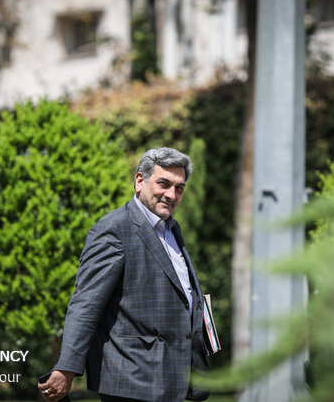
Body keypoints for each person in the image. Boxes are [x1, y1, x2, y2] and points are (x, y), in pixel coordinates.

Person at [38, 147, 210, 402]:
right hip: (132, 380)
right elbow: (86, 303)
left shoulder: (172, 229)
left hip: (169, 377)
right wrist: (67, 367)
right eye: (164, 183)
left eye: (180, 187)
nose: (172, 195)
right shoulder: (114, 228)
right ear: (140, 181)